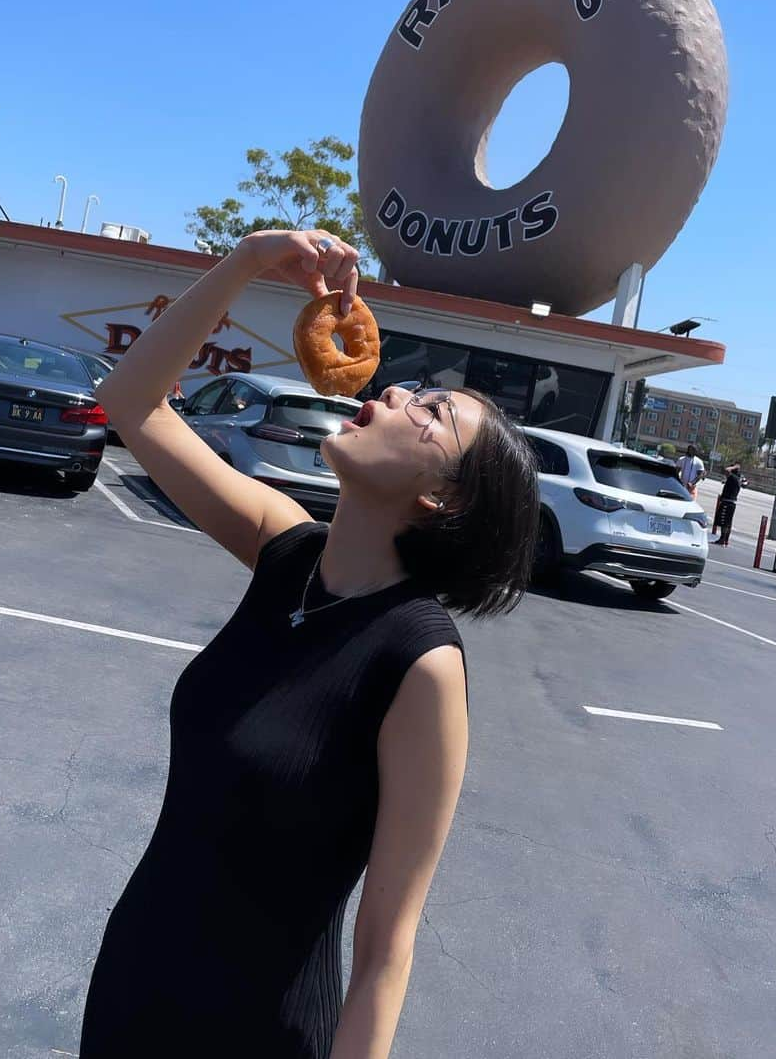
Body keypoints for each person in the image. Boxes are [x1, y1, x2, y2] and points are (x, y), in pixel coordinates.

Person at [78, 228, 539, 1059]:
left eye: (429, 413)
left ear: (444, 501)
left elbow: (385, 950)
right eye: (408, 390)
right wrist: (250, 261)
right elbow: (132, 400)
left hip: (259, 1032)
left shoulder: (420, 663)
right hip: (131, 990)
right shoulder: (283, 548)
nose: (396, 395)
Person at [712, 463, 744, 546]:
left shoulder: (733, 477)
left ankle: (723, 539)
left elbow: (726, 470)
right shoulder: (737, 479)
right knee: (728, 522)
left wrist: (735, 466)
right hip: (731, 503)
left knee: (724, 522)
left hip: (727, 502)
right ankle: (725, 540)